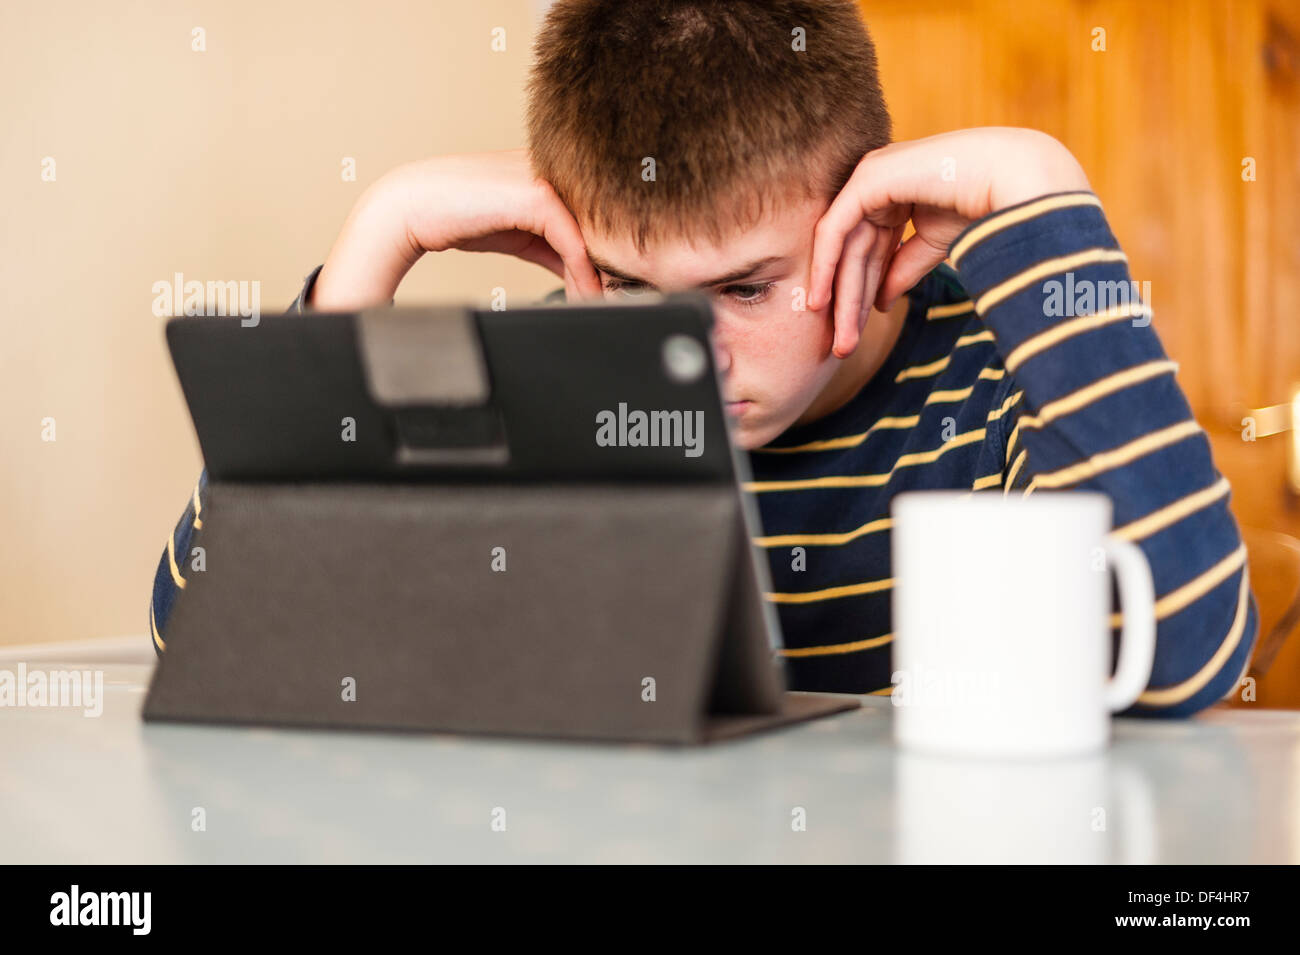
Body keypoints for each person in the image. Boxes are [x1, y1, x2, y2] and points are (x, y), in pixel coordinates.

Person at [150, 0, 1255, 716]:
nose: (687, 353)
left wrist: (1035, 184)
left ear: (867, 216)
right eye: (632, 288)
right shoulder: (558, 372)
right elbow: (214, 631)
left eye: (742, 288)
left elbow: (1179, 659)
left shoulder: (1005, 380)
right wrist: (375, 242)